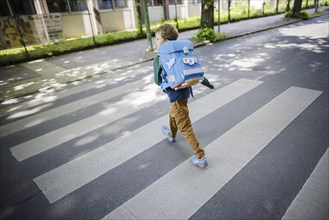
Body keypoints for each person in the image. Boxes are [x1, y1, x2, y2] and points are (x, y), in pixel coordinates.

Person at [153, 23, 208, 168]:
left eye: (157, 39)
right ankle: (171, 135)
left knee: (185, 125)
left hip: (176, 93)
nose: (156, 42)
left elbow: (157, 80)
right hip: (185, 89)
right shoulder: (181, 50)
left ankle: (200, 156)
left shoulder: (161, 57)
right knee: (174, 113)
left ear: (165, 40)